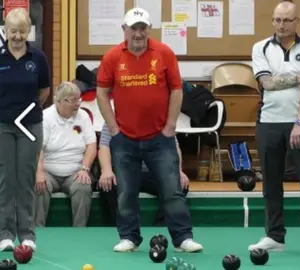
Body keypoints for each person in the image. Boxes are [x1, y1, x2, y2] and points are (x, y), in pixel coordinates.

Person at [95, 7, 203, 253]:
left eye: (142, 28)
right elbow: (101, 92)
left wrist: (170, 126)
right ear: (125, 30)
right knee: (126, 193)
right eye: (133, 28)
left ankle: (183, 238)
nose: (138, 33)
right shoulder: (112, 57)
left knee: (172, 190)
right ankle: (129, 238)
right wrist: (113, 127)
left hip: (160, 138)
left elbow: (177, 90)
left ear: (148, 30)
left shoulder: (164, 53)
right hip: (124, 139)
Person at [248, 1, 300, 253]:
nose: (281, 25)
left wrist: (299, 122)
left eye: (286, 20)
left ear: (296, 22)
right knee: (270, 181)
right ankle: (275, 236)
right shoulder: (260, 48)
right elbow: (267, 84)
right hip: (269, 122)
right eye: (277, 20)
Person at [0, 8, 51, 251]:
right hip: (3, 126)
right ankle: (5, 235)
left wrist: (27, 111)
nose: (18, 36)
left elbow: (44, 91)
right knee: (6, 180)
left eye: (22, 31)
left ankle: (27, 234)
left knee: (26, 181)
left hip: (30, 125)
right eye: (13, 31)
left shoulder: (38, 57)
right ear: (5, 31)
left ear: (28, 31)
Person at [97, 123, 189, 226]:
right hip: (124, 172)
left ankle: (161, 227)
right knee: (107, 184)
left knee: (179, 184)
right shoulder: (114, 118)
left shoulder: (161, 118)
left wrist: (178, 171)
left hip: (154, 173)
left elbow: (173, 147)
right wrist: (106, 170)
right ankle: (119, 227)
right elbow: (104, 147)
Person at [35, 82, 97, 227]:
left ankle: (79, 231)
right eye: (72, 100)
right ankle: (37, 231)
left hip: (75, 171)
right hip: (49, 170)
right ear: (59, 101)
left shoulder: (83, 116)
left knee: (83, 186)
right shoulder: (45, 117)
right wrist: (39, 171)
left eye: (78, 99)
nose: (77, 104)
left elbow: (91, 145)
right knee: (39, 186)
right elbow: (38, 148)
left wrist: (84, 168)